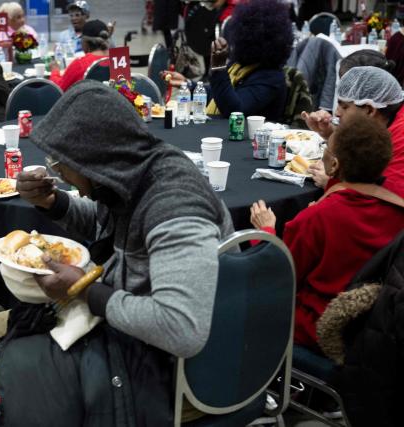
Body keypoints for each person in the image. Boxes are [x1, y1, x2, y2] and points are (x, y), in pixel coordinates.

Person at [0, 80, 234, 426]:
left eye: (63, 163)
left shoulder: (175, 206)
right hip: (132, 329)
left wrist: (86, 292)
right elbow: (105, 227)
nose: (58, 171)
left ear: (94, 158)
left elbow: (181, 329)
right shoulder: (131, 171)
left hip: (176, 368)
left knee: (0, 379)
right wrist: (53, 202)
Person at [249, 112, 404, 350]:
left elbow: (276, 281)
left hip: (323, 329)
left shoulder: (319, 217)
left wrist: (265, 233)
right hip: (376, 326)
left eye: (326, 151)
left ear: (334, 165)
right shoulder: (397, 205)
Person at [164, 0, 292, 122]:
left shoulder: (271, 78)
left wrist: (219, 68)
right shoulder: (240, 66)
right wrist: (188, 85)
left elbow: (234, 110)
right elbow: (217, 95)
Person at [302, 66, 404, 198]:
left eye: (344, 106)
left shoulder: (400, 138)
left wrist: (334, 183)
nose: (337, 113)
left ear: (369, 110)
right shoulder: (387, 122)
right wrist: (330, 134)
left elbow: (384, 201)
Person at [49, 20, 109, 91]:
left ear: (85, 42)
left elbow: (59, 89)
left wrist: (54, 71)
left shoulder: (80, 64)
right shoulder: (119, 59)